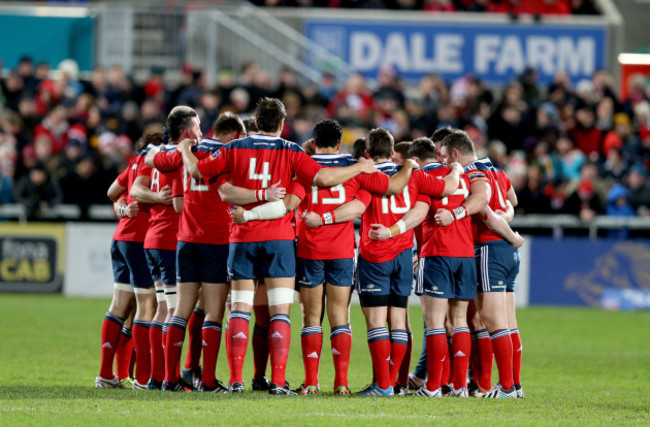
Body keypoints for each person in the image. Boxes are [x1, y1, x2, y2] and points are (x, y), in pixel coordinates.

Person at [178, 97, 379, 395]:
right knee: (280, 312)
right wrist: (360, 168)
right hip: (279, 239)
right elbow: (322, 178)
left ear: (256, 123)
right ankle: (278, 381)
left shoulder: (232, 148)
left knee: (241, 311)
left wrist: (183, 149)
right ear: (282, 125)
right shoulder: (292, 151)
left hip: (242, 236)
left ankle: (235, 380)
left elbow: (198, 172)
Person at [231, 119, 414, 395]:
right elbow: (390, 188)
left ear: (314, 143)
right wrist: (410, 166)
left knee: (311, 318)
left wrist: (248, 214)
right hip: (342, 252)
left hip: (309, 251)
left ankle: (313, 383)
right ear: (340, 143)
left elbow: (289, 204)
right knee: (340, 317)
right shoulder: (357, 169)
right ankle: (341, 384)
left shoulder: (304, 167)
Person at [303, 128, 461, 396]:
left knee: (376, 322)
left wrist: (325, 219)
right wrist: (456, 169)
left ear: (366, 154)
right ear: (392, 153)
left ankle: (383, 385)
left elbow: (358, 207)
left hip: (375, 255)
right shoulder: (413, 175)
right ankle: (393, 382)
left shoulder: (367, 176)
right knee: (399, 320)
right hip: (403, 254)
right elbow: (447, 187)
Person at [434, 131, 524, 398]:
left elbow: (486, 211)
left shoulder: (471, 174)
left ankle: (506, 387)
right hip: (505, 252)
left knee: (492, 321)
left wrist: (512, 236)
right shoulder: (495, 169)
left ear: (456, 154)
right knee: (508, 322)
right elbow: (513, 201)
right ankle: (514, 386)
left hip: (489, 248)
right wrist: (508, 219)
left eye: (445, 154)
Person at [96, 132, 162, 389]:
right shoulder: (151, 161)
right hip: (140, 239)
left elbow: (113, 192)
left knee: (122, 306)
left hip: (121, 237)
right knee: (149, 306)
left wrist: (123, 208)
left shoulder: (135, 161)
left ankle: (109, 374)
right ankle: (143, 378)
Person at [130, 109, 187, 391]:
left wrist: (154, 198)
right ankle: (167, 377)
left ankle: (154, 376)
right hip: (169, 239)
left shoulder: (150, 159)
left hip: (152, 237)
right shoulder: (175, 161)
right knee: (173, 311)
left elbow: (135, 190)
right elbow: (177, 203)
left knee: (161, 308)